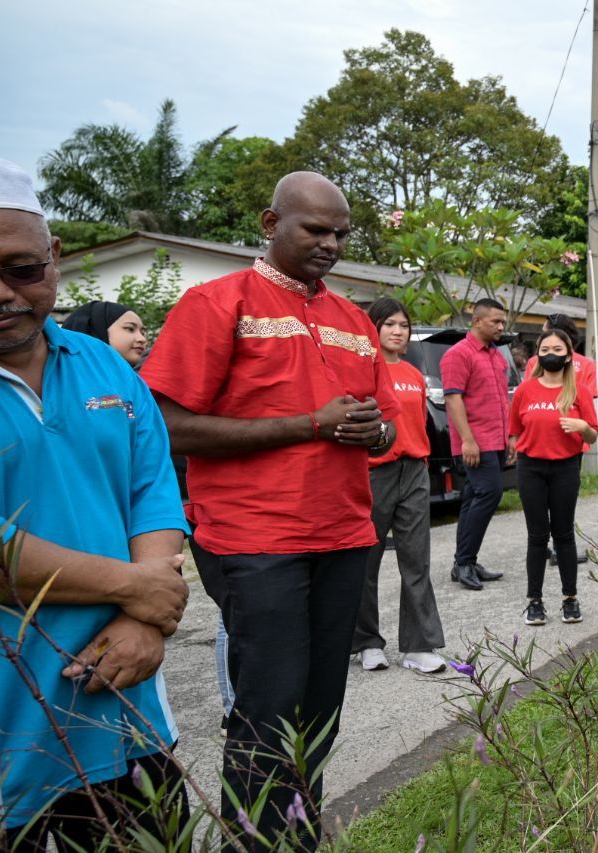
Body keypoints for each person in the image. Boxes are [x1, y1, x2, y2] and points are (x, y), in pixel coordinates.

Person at [141, 171, 401, 850]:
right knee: (267, 712)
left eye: (341, 232)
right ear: (269, 221)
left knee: (319, 714)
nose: (331, 243)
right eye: (315, 228)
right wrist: (310, 424)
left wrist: (371, 430)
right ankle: (253, 843)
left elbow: (389, 429)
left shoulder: (352, 321)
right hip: (255, 539)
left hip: (343, 533)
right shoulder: (215, 303)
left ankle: (296, 838)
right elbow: (165, 423)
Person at [0, 159, 191, 849]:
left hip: (128, 718)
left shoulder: (101, 361)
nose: (3, 293)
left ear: (53, 258)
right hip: (13, 740)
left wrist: (146, 624)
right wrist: (141, 588)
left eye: (20, 268)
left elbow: (151, 489)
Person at [351, 297, 447, 674]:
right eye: (389, 324)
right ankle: (367, 642)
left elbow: (418, 424)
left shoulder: (412, 372)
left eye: (403, 325)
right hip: (374, 473)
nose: (397, 331)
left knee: (416, 560)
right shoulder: (361, 371)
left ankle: (419, 645)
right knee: (366, 561)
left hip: (415, 471)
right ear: (373, 328)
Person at [509, 328, 598, 626]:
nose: (551, 354)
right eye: (546, 348)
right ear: (537, 354)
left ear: (568, 356)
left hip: (565, 468)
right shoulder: (525, 391)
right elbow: (515, 430)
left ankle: (570, 599)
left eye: (558, 350)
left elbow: (594, 434)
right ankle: (534, 602)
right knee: (537, 536)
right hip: (531, 468)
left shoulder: (579, 392)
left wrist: (581, 426)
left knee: (563, 534)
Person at [440, 298, 510, 591]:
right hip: (475, 443)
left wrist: (511, 438)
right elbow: (453, 399)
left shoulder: (497, 357)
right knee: (489, 494)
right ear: (477, 321)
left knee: (472, 499)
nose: (501, 326)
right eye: (495, 321)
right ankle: (464, 562)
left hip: (497, 439)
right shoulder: (459, 355)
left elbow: (503, 401)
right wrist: (467, 440)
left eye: (503, 321)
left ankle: (465, 561)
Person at [524, 313, 598, 569]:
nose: (548, 348)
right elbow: (527, 396)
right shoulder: (584, 364)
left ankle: (559, 545)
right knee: (545, 500)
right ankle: (550, 544)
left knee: (561, 500)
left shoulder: (584, 366)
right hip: (538, 447)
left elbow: (587, 399)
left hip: (570, 443)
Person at [61, 300, 148, 366]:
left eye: (142, 333)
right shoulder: (66, 381)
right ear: (97, 330)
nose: (142, 339)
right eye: (130, 329)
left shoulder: (138, 385)